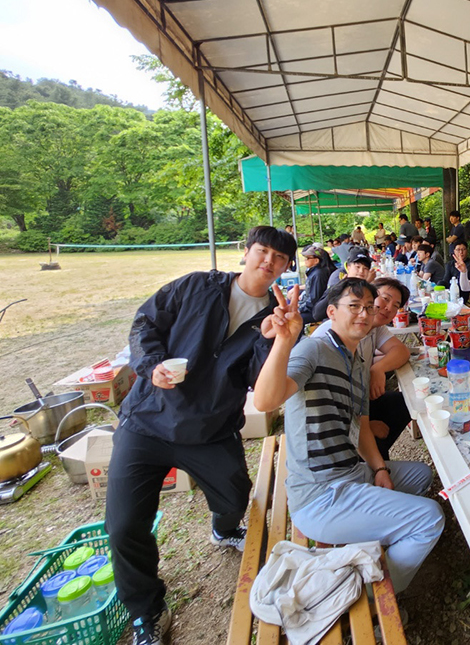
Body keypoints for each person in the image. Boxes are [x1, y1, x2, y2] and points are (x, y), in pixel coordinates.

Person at [106, 226, 297, 645]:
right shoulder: (196, 285)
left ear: (286, 267)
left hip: (210, 428)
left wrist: (276, 341)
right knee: (123, 526)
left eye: (279, 257)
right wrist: (151, 365)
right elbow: (145, 322)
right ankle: (146, 612)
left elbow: (260, 384)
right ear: (245, 252)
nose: (268, 261)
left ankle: (223, 529)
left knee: (235, 496)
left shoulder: (275, 316)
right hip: (147, 420)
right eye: (262, 251)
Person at [253, 278, 445, 595]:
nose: (365, 314)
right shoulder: (314, 348)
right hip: (320, 496)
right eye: (354, 306)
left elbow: (361, 425)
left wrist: (380, 468)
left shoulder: (357, 361)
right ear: (332, 312)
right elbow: (265, 401)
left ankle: (375, 531)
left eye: (369, 307)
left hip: (352, 472)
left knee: (422, 475)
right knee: (430, 518)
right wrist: (284, 342)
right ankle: (373, 597)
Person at [312, 278, 413, 460]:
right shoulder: (333, 336)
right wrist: (365, 427)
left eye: (396, 306)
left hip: (358, 402)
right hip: (332, 420)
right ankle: (367, 460)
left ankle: (375, 457)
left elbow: (401, 351)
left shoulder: (375, 327)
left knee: (405, 401)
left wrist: (377, 369)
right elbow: (328, 401)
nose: (388, 308)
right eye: (385, 299)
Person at [314, 250, 376, 320]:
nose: (361, 271)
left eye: (365, 268)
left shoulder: (369, 289)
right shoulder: (338, 283)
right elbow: (317, 314)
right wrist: (340, 288)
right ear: (348, 267)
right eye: (357, 267)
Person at [298, 246, 328, 324]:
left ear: (316, 260)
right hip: (312, 308)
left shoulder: (318, 274)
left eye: (308, 258)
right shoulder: (315, 272)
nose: (305, 260)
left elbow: (313, 300)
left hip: (315, 311)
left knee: (295, 318)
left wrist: (300, 308)